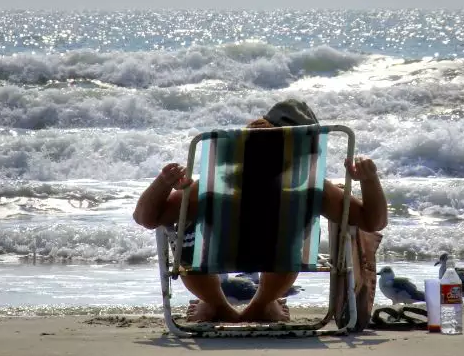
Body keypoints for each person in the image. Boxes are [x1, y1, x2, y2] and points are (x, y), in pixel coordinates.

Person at [132, 99, 388, 323]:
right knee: (287, 243)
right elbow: (372, 221)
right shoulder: (311, 188)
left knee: (187, 234)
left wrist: (163, 184)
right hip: (280, 262)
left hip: (207, 264)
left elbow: (146, 218)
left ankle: (217, 305)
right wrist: (369, 181)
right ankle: (262, 304)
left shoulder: (215, 183)